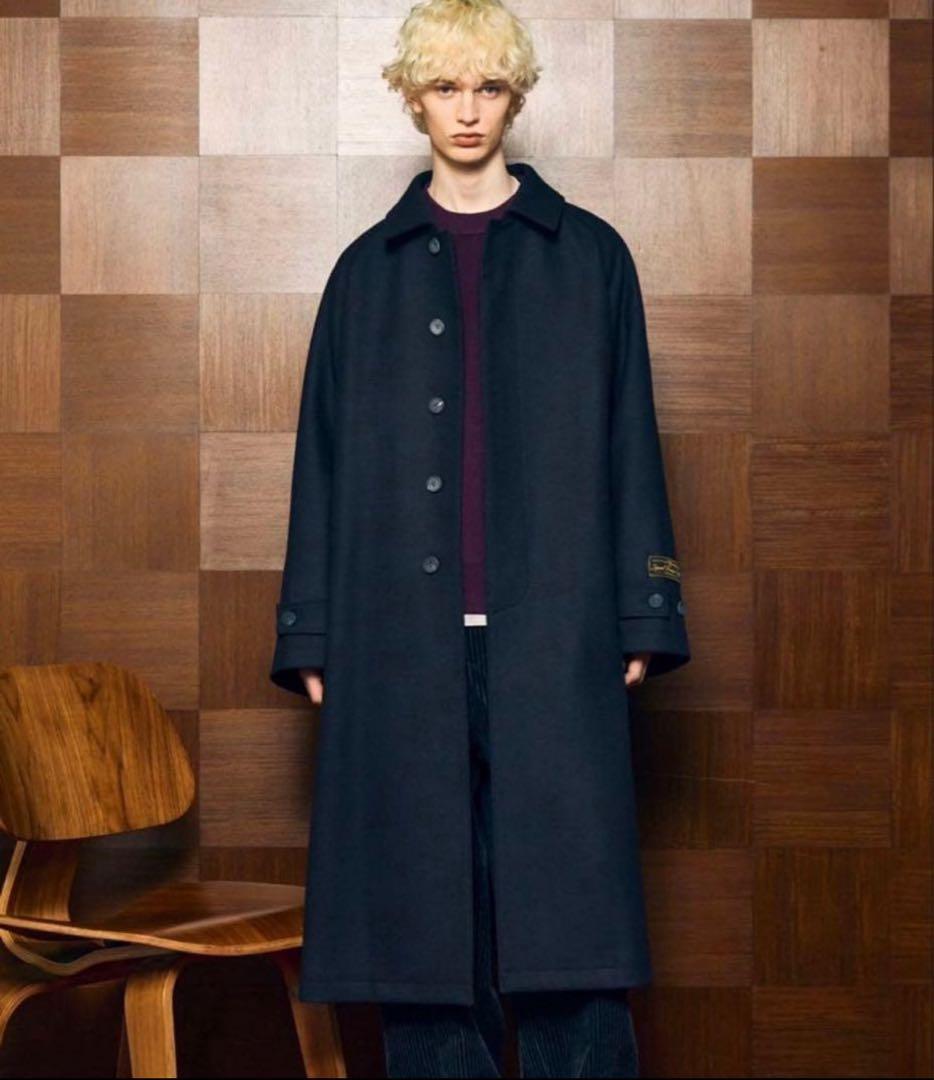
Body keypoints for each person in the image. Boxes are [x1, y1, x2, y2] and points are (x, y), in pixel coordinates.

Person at [270, 1, 691, 1076]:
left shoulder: (590, 259)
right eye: (446, 88)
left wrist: (644, 610)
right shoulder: (364, 273)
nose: (467, 111)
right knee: (420, 936)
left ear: (516, 96)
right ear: (413, 100)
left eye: (488, 87)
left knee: (567, 927)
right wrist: (311, 631)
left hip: (555, 636)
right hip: (396, 644)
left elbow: (629, 438)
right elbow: (322, 459)